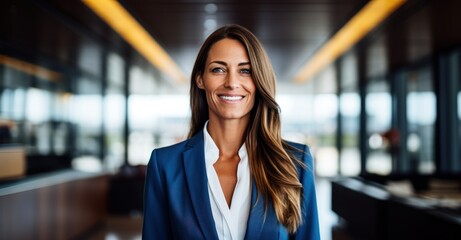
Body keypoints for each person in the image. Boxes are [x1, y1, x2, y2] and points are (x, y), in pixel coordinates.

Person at [142, 24, 320, 240]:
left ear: (258, 81)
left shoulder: (295, 163)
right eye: (218, 69)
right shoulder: (165, 165)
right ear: (200, 79)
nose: (232, 83)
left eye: (245, 71)